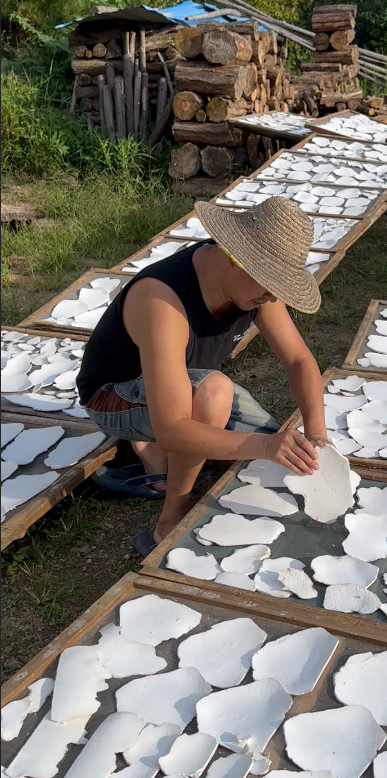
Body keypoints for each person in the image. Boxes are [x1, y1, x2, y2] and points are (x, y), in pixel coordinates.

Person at [76, 196, 329, 558]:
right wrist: (265, 448)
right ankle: (168, 521)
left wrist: (316, 433)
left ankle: (158, 455)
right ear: (234, 258)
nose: (273, 296)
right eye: (268, 283)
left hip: (187, 383)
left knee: (287, 455)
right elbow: (173, 427)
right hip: (115, 395)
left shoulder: (253, 291)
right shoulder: (163, 300)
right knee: (217, 397)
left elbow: (298, 359)